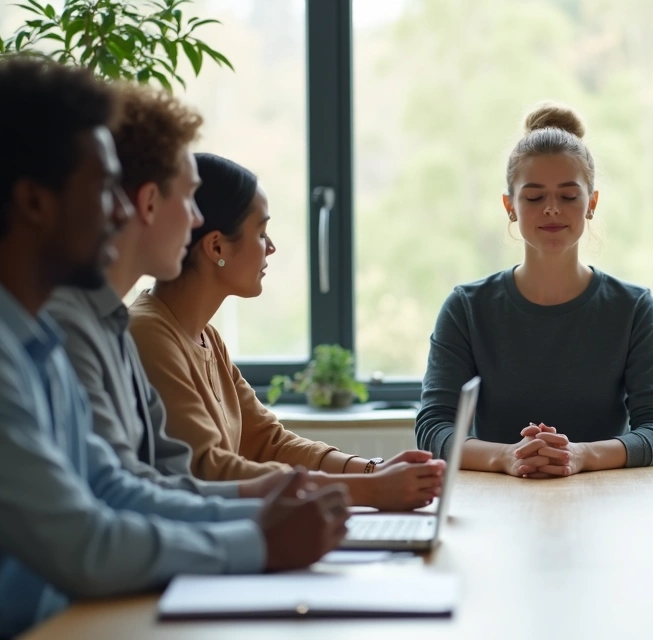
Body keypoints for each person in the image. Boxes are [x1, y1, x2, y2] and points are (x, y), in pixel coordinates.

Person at [0, 58, 348, 638]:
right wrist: (258, 539)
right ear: (34, 203)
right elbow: (83, 541)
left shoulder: (29, 331)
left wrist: (260, 513)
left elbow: (113, 486)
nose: (120, 211)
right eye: (101, 190)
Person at [129, 152, 444, 510]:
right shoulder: (148, 335)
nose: (272, 247)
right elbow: (207, 470)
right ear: (216, 246)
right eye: (261, 233)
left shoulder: (206, 337)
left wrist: (372, 470)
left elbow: (270, 443)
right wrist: (366, 491)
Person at [45, 82, 283, 499]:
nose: (195, 221)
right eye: (189, 198)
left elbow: (166, 480)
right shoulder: (116, 329)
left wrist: (344, 485)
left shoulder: (113, 325)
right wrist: (270, 526)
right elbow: (118, 503)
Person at [415, 103, 653, 478]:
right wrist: (507, 457)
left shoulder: (634, 308)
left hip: (608, 505)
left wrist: (582, 455)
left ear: (592, 203)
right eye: (534, 197)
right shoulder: (466, 308)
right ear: (510, 206)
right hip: (497, 506)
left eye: (569, 196)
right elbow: (433, 430)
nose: (552, 209)